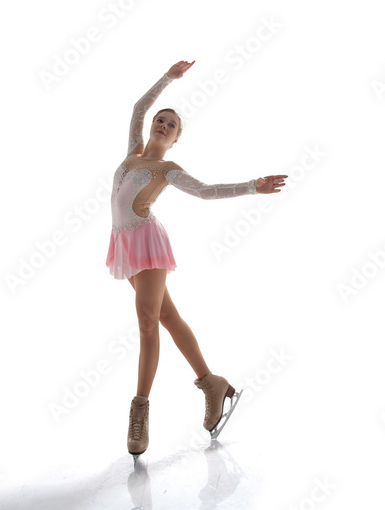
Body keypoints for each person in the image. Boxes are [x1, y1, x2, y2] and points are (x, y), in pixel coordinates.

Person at [106, 60, 288, 459]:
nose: (163, 125)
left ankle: (139, 413)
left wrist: (253, 187)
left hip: (147, 245)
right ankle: (212, 384)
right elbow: (138, 107)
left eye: (172, 126)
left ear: (175, 140)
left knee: (147, 323)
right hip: (126, 245)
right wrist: (168, 78)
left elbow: (206, 191)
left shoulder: (167, 169)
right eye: (161, 120)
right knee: (168, 319)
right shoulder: (132, 153)